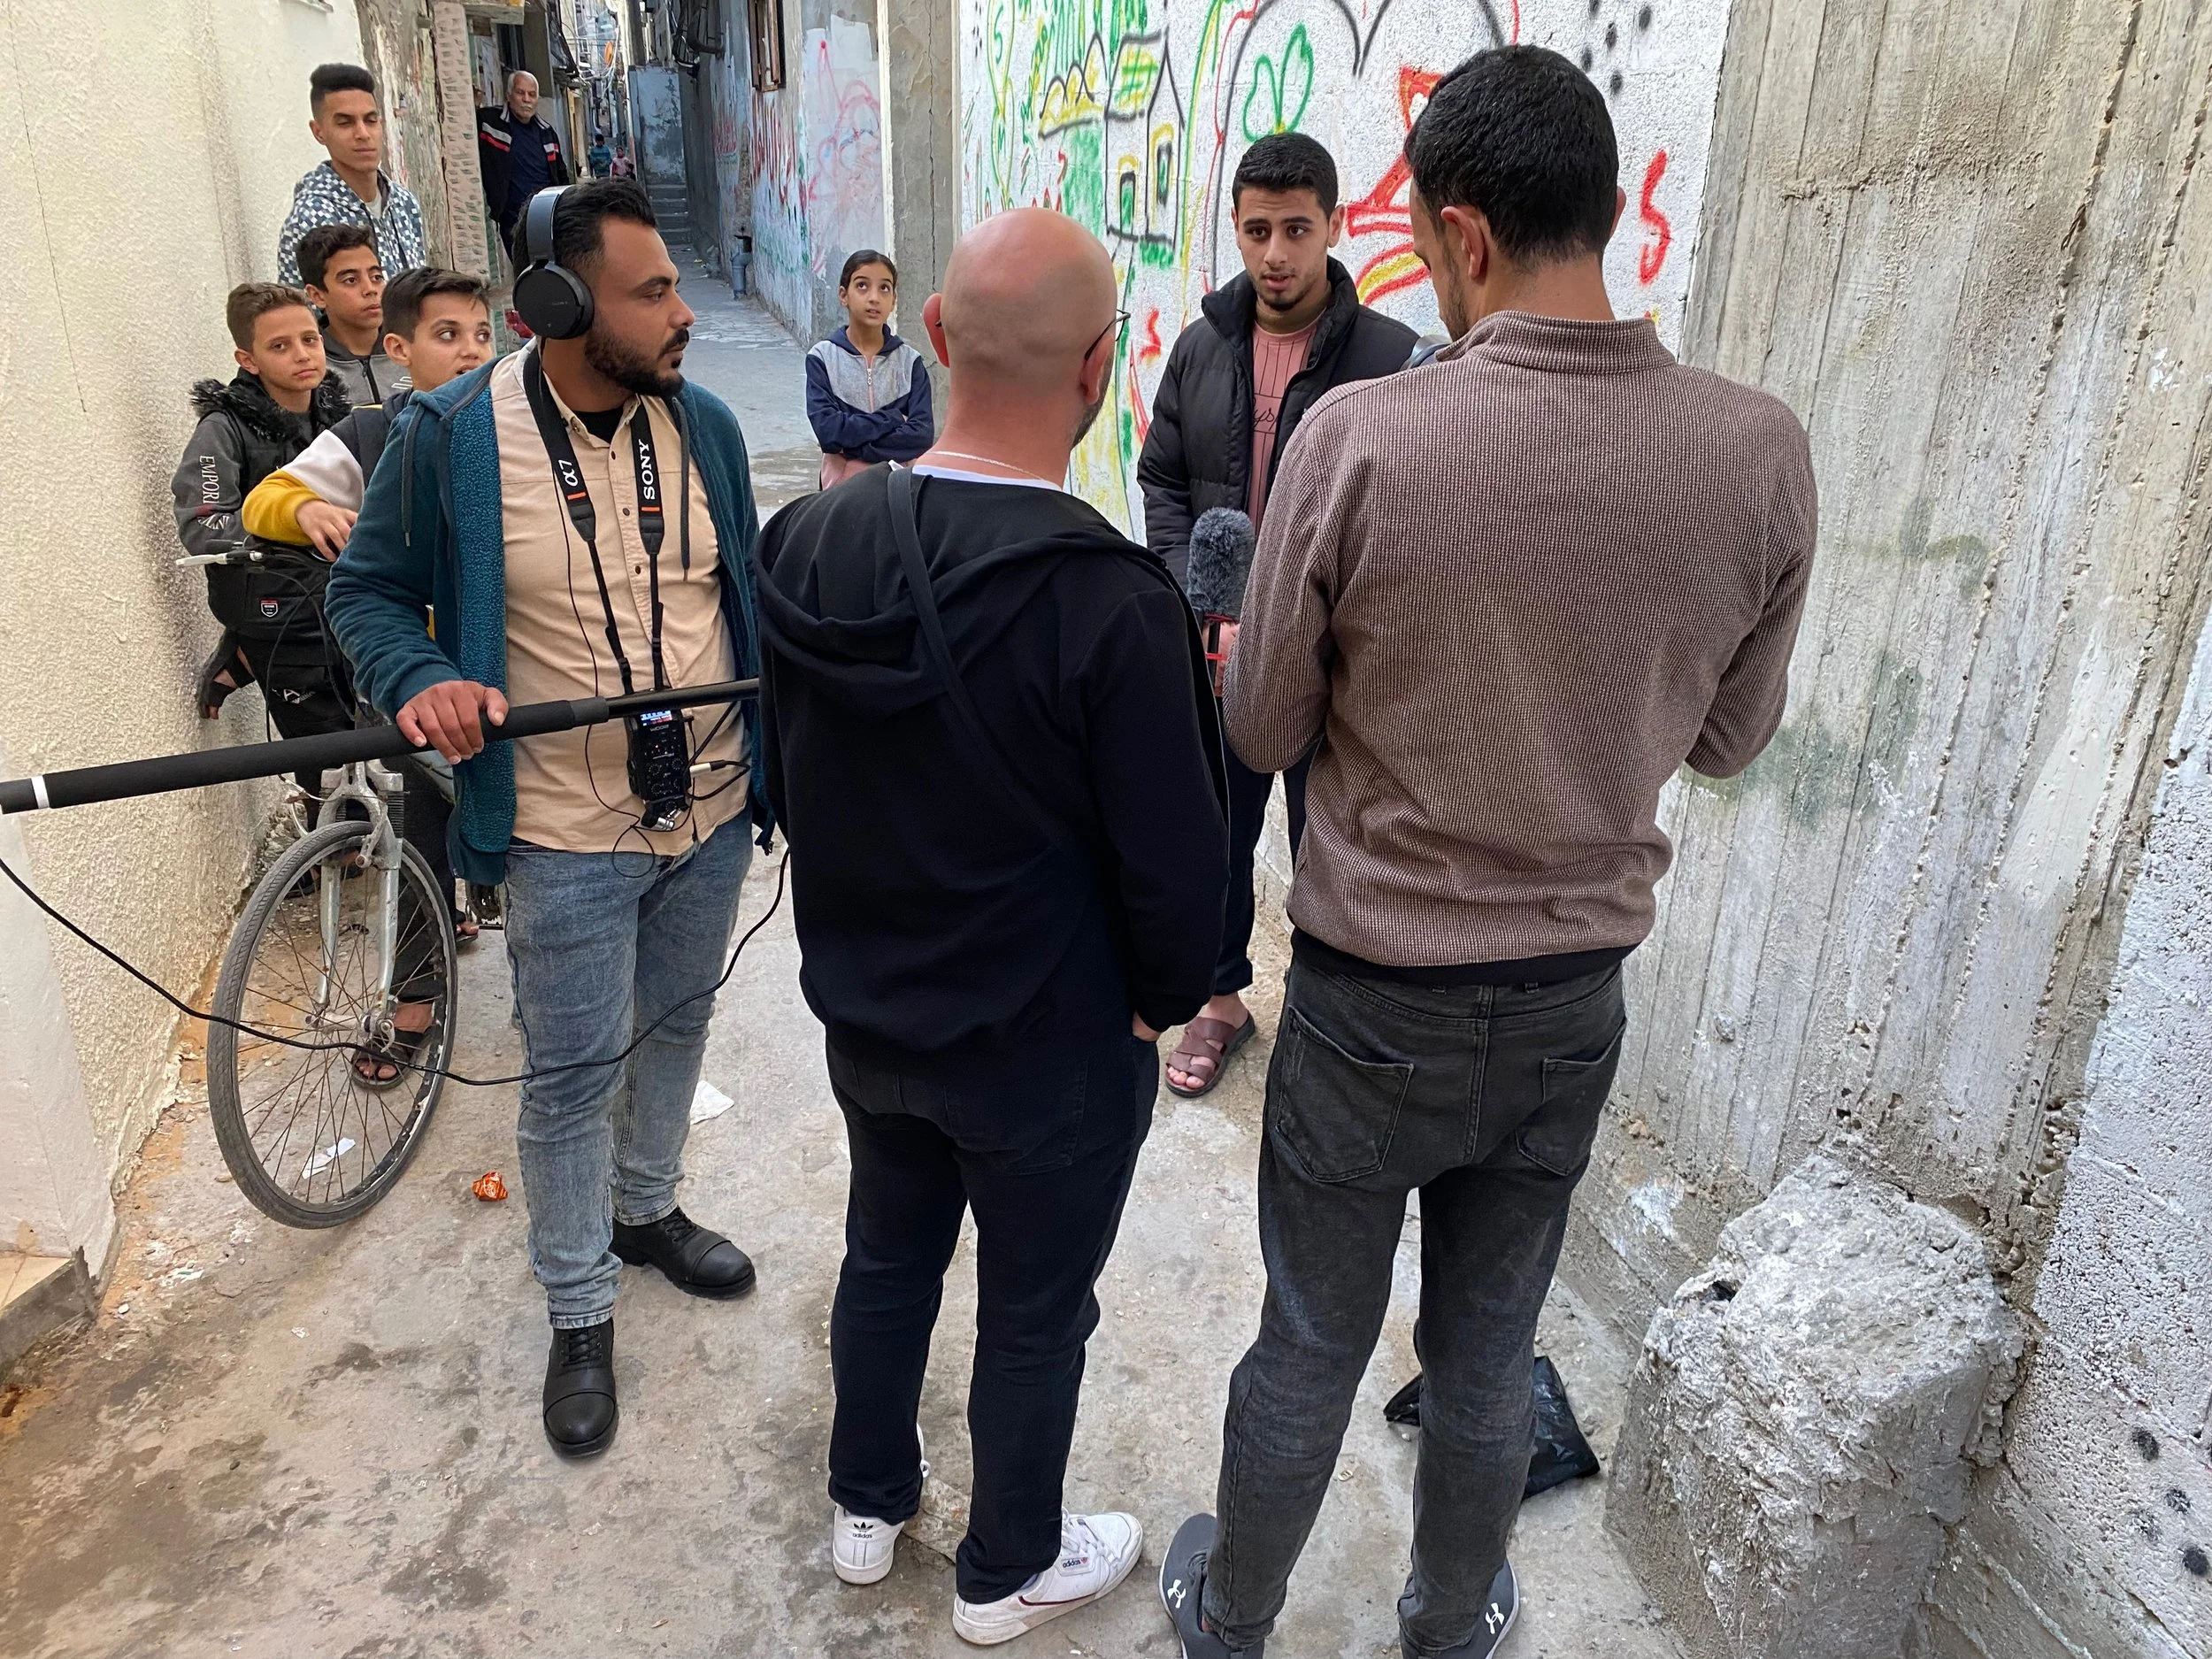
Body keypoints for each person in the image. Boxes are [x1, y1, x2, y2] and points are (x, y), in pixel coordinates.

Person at [1158, 45, 1816, 1659]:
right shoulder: (1758, 448)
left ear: (1456, 234)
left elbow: (1259, 731)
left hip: (1374, 998)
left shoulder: (1365, 438)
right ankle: (1452, 1618)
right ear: (1604, 212)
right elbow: (1728, 744)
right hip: (1569, 1007)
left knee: (1310, 1338)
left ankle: (1229, 1612)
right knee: (1486, 1342)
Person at [755, 208, 1229, 1647]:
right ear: (1104, 368)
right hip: (1044, 1053)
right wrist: (1165, 999)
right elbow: (1180, 874)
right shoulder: (1109, 599)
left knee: (886, 1257)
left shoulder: (802, 544)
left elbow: (785, 779)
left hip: (865, 1020)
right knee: (1033, 1310)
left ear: (940, 339)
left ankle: (865, 1506)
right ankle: (1008, 1566)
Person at [326, 180, 769, 1458]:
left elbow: (739, 591)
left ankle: (648, 1211)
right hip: (561, 836)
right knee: (573, 1073)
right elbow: (365, 597)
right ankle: (580, 1305)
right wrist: (424, 679)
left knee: (680, 1020)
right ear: (559, 302)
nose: (684, 314)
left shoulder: (712, 429)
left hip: (716, 810)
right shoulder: (450, 433)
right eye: (653, 293)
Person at [1136, 133, 1414, 1101]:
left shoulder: (1391, 360)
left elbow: (1404, 514)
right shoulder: (1201, 348)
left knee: (1329, 843)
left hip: (1333, 665)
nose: (1275, 253)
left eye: (1296, 229)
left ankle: (1328, 1020)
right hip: (1217, 656)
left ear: (1333, 226)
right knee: (1213, 834)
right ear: (1237, 230)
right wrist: (1200, 602)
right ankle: (1218, 1003)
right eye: (1257, 230)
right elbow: (1162, 480)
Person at [278, 64, 426, 287]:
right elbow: (302, 314)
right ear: (319, 132)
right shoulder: (311, 218)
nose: (363, 134)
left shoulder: (404, 203)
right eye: (345, 123)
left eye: (370, 120)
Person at [806, 249, 933, 490]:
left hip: (897, 494)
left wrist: (852, 447)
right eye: (862, 286)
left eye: (884, 288)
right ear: (844, 295)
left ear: (894, 299)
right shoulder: (822, 359)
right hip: (840, 494)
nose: (874, 297)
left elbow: (921, 436)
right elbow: (829, 433)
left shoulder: (910, 363)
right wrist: (894, 418)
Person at [296, 223, 396, 408]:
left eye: (376, 277)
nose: (370, 290)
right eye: (351, 280)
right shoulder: (307, 366)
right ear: (317, 296)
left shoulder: (409, 349)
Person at [479, 72, 571, 258]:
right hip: (512, 219)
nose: (526, 99)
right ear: (509, 95)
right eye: (521, 93)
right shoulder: (491, 123)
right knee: (524, 271)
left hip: (545, 216)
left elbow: (560, 174)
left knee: (552, 267)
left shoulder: (546, 132)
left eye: (532, 94)